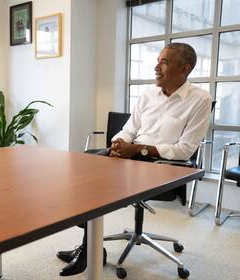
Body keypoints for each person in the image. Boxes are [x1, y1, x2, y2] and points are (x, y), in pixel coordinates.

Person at [57, 42, 212, 276]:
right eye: (158, 60)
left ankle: (91, 251)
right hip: (132, 156)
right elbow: (129, 128)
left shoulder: (200, 100)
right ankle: (91, 245)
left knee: (93, 184)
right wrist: (119, 142)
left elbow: (185, 150)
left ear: (184, 69)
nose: (156, 67)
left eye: (164, 62)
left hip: (161, 165)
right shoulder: (148, 94)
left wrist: (139, 149)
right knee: (80, 166)